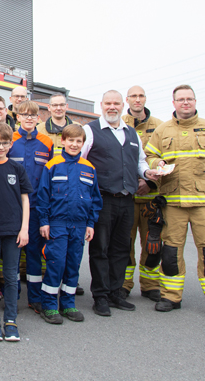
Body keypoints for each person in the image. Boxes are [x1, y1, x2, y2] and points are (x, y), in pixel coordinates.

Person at [144, 85, 205, 321]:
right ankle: (171, 296)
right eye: (180, 99)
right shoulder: (162, 130)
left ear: (195, 101)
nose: (185, 103)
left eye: (189, 99)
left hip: (203, 203)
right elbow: (149, 155)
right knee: (170, 252)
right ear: (173, 103)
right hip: (172, 202)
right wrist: (156, 164)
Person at [82, 90, 157, 317]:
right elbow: (81, 161)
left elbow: (139, 161)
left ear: (123, 105)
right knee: (100, 249)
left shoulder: (132, 133)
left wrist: (147, 172)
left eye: (116, 103)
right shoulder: (90, 130)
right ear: (101, 105)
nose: (112, 107)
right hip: (103, 199)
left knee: (121, 250)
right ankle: (101, 296)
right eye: (108, 103)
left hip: (127, 200)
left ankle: (116, 293)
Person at [38, 123, 101, 324]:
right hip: (57, 224)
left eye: (78, 141)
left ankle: (68, 303)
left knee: (73, 265)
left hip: (80, 225)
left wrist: (91, 223)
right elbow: (43, 196)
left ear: (83, 144)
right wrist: (44, 221)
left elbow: (95, 199)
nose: (74, 144)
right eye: (70, 140)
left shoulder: (89, 168)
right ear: (62, 141)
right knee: (56, 264)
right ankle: (48, 305)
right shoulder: (52, 165)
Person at [0, 122, 30, 341]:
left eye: (4, 143)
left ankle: (10, 321)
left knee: (11, 277)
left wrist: (24, 228)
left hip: (14, 232)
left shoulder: (17, 168)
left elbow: (25, 199)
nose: (0, 147)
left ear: (11, 144)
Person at [8, 100, 53, 314]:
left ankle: (35, 298)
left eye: (32, 115)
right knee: (13, 254)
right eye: (24, 114)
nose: (28, 118)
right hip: (12, 208)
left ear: (38, 119)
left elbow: (50, 178)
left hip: (36, 207)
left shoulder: (46, 143)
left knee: (34, 254)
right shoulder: (9, 140)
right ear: (17, 117)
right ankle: (12, 297)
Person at [120, 86, 164, 302]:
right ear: (127, 99)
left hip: (150, 198)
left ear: (145, 99)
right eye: (133, 96)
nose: (137, 100)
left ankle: (150, 285)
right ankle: (124, 284)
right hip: (126, 196)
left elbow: (165, 160)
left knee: (152, 243)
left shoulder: (161, 127)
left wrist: (150, 184)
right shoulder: (118, 122)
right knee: (124, 244)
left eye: (141, 96)